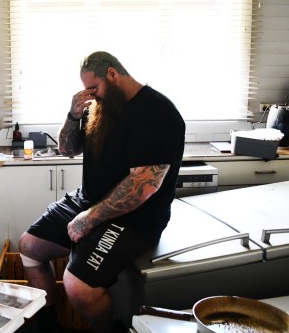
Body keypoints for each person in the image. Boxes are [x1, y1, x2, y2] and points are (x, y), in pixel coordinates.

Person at [18, 51, 185, 332]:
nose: (91, 95)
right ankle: (49, 326)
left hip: (136, 218)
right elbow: (67, 149)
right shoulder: (101, 106)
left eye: (93, 88)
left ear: (112, 74)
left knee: (79, 289)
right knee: (29, 247)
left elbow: (143, 186)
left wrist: (89, 218)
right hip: (89, 201)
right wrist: (72, 115)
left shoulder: (157, 113)